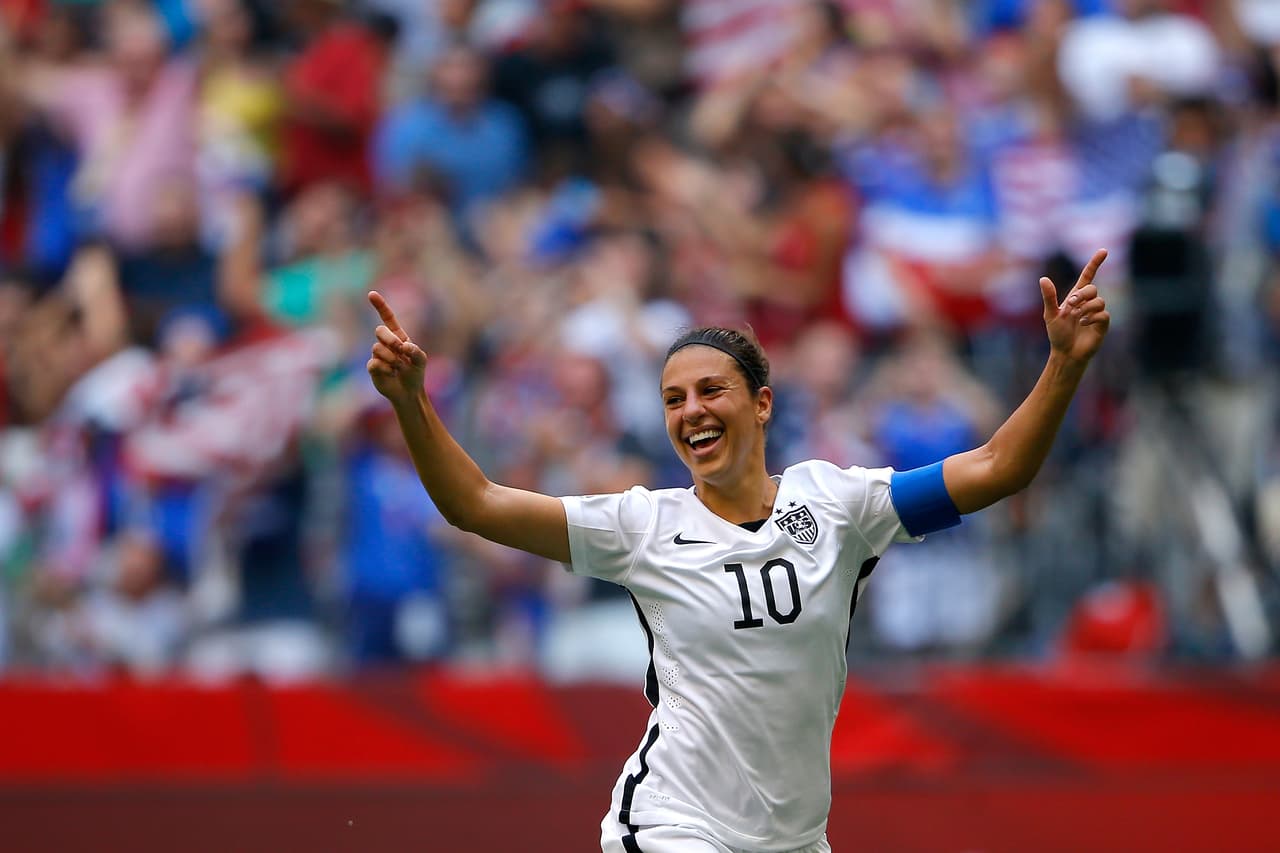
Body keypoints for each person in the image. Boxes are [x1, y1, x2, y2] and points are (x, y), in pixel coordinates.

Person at [365, 248, 1111, 852]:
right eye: (672, 399)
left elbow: (996, 468)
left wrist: (1065, 364)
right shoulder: (639, 526)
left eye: (710, 390)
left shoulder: (839, 502)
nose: (690, 411)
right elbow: (477, 503)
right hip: (673, 825)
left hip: (793, 839)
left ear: (761, 403)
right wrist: (411, 401)